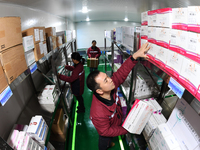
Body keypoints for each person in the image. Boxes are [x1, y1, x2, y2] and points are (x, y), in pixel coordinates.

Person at [86, 43, 150, 150]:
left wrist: (134, 56)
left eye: (107, 76)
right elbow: (106, 131)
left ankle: (109, 143)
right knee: (104, 141)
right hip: (107, 131)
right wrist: (126, 129)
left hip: (115, 121)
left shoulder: (110, 87)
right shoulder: (98, 113)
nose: (110, 79)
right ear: (99, 91)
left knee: (110, 138)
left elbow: (120, 74)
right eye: (106, 81)